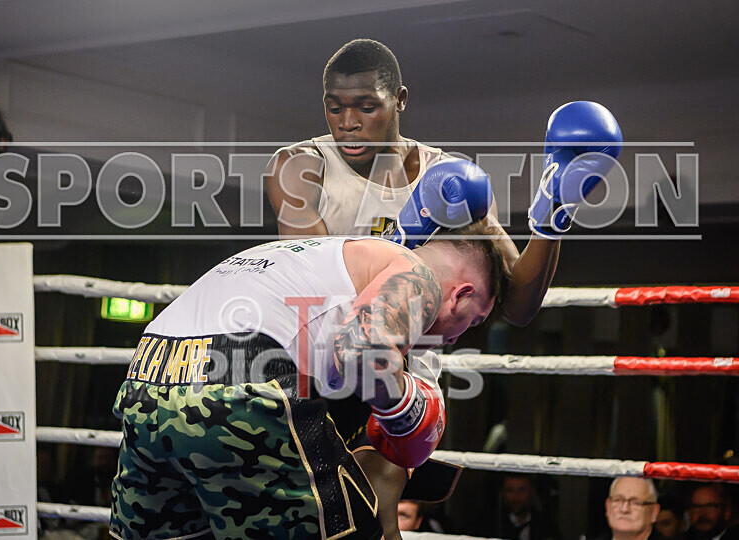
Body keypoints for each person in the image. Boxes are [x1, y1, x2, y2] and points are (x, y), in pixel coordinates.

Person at [266, 38, 622, 539]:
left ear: (400, 100)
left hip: (401, 369)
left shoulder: (446, 174)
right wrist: (406, 236)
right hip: (315, 362)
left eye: (367, 106)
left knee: (376, 506)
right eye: (335, 107)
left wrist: (554, 217)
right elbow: (321, 287)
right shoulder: (299, 167)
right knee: (309, 517)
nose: (348, 121)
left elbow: (518, 303)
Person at [109, 225, 507, 539]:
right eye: (472, 320)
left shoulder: (326, 257)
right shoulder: (418, 275)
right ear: (461, 293)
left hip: (147, 376)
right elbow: (360, 350)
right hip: (238, 384)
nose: (456, 338)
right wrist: (408, 408)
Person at [492, 474, 560, 540]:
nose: (516, 497)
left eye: (521, 490)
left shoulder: (544, 523)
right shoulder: (494, 524)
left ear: (532, 491)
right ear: (503, 493)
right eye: (510, 490)